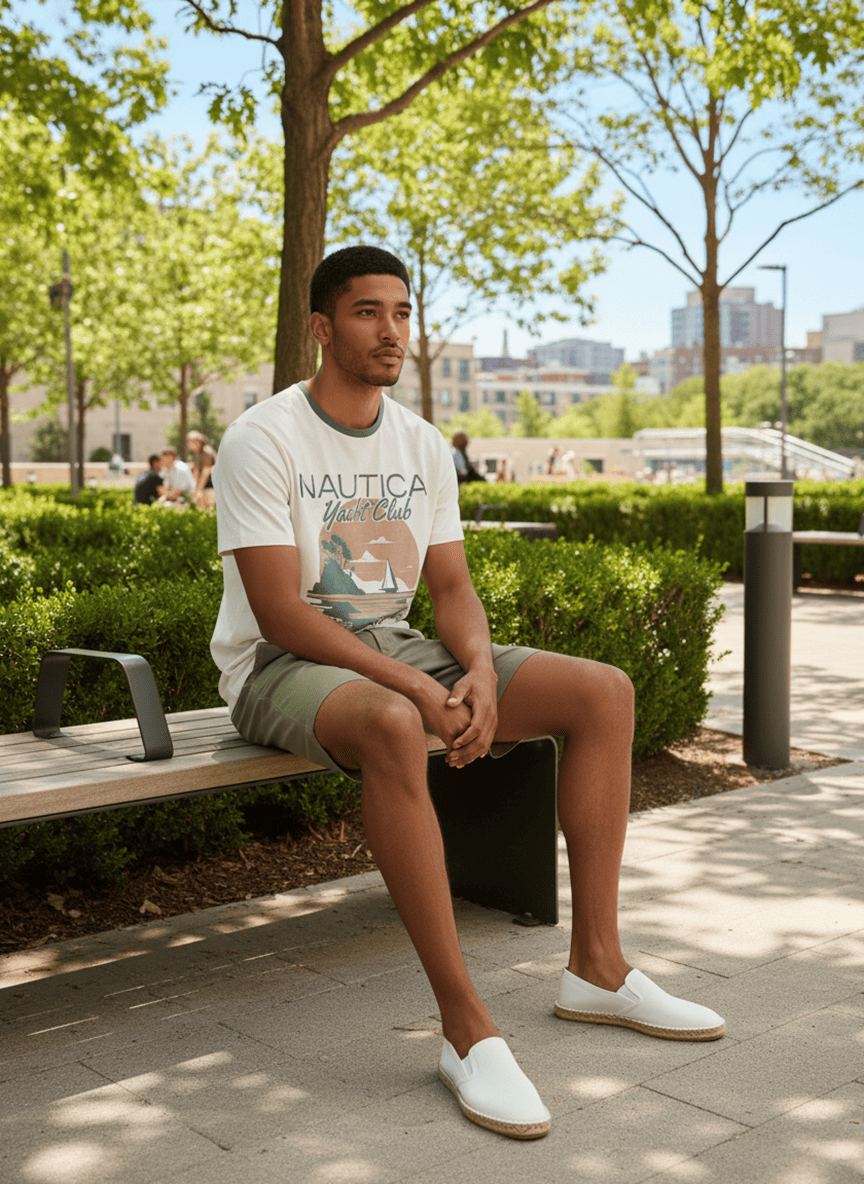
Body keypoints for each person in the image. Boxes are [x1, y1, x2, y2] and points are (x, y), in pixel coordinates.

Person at [210, 245, 724, 1141]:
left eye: (403, 312)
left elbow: (451, 588)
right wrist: (417, 684)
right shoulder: (264, 436)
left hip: (396, 649)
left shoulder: (419, 444)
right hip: (279, 666)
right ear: (322, 328)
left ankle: (597, 968)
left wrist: (477, 671)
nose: (392, 330)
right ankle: (466, 1028)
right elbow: (280, 612)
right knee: (392, 721)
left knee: (603, 693)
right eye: (368, 312)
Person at [186, 430, 218, 509]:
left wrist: (198, 490)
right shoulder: (196, 452)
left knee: (207, 506)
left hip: (212, 484)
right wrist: (194, 488)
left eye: (191, 441)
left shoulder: (206, 451)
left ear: (198, 441)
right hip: (205, 483)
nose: (189, 444)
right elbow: (196, 471)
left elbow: (206, 472)